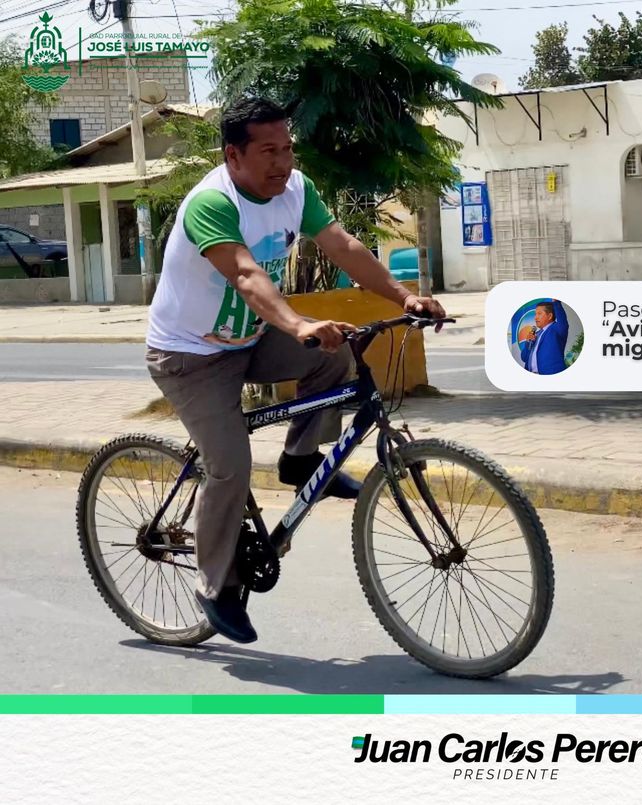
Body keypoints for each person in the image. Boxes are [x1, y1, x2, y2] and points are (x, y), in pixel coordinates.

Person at [144, 97, 445, 644]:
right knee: (230, 465)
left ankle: (301, 460)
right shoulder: (213, 203)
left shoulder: (296, 191)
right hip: (190, 356)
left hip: (250, 339)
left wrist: (404, 297)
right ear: (233, 156)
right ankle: (216, 585)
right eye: (268, 152)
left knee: (336, 354)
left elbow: (343, 246)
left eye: (287, 149)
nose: (282, 162)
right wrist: (297, 322)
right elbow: (245, 274)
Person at [519, 300, 569, 375]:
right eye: (535, 314)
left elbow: (562, 321)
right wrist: (528, 343)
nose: (535, 318)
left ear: (550, 316)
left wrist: (556, 302)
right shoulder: (535, 334)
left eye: (539, 314)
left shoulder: (557, 329)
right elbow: (524, 358)